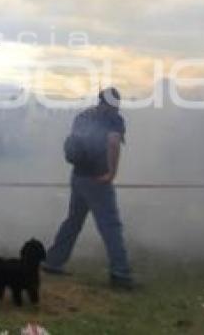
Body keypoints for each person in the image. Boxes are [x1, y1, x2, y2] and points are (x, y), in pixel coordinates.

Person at [43, 87, 135, 290]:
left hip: (79, 177)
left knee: (73, 221)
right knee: (111, 227)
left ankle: (53, 261)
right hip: (98, 180)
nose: (115, 108)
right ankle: (120, 274)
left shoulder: (83, 116)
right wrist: (112, 173)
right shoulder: (114, 120)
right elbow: (113, 143)